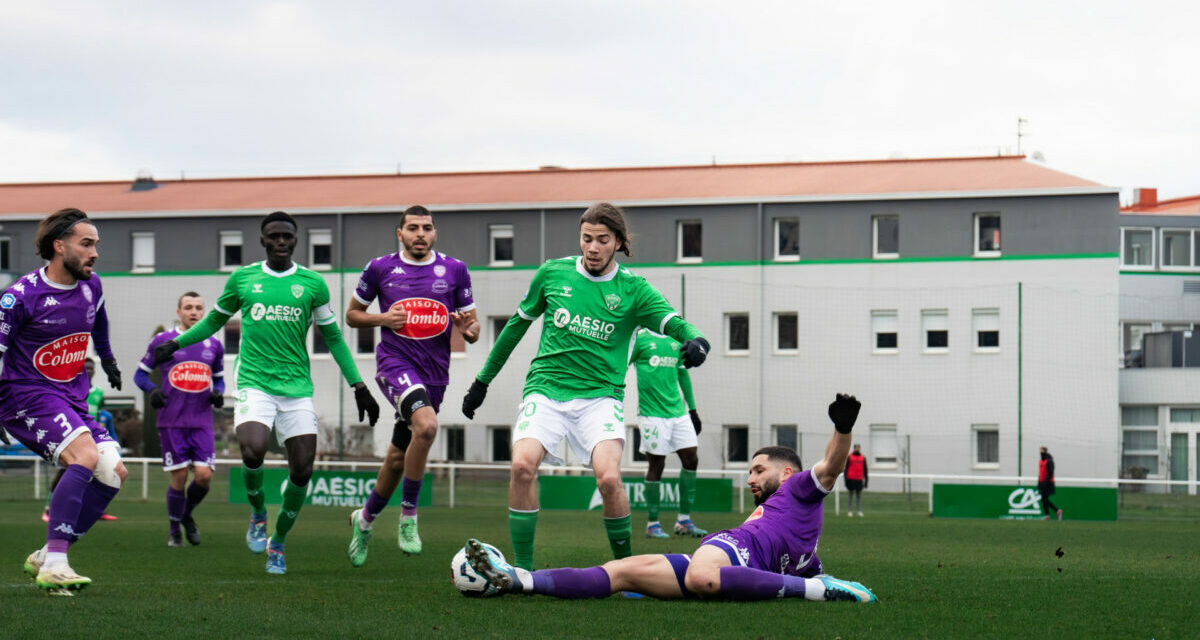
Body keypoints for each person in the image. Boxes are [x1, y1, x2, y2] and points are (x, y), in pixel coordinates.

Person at [461, 202, 711, 571]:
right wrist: (482, 382)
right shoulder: (552, 274)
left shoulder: (633, 290)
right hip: (545, 390)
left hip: (600, 398)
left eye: (602, 240)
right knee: (521, 467)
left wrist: (697, 340)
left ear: (619, 243)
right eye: (587, 238)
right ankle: (524, 572)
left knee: (610, 479)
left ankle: (627, 573)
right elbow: (515, 328)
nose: (592, 247)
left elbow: (673, 321)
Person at [464, 394, 877, 603]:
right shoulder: (778, 508)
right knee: (620, 572)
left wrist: (843, 430)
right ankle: (521, 579)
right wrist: (819, 584)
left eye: (757, 470)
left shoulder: (799, 487)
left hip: (726, 561)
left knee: (656, 576)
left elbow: (830, 467)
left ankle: (522, 580)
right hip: (726, 551)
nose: (750, 478)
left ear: (787, 473)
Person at [152, 210, 380, 575]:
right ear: (263, 240)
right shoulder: (243, 279)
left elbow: (334, 337)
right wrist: (176, 343)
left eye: (286, 237)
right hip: (254, 383)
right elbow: (214, 321)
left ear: (295, 240)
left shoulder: (312, 283)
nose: (280, 242)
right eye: (273, 236)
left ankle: (278, 542)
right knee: (253, 449)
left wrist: (359, 385)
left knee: (303, 469)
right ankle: (258, 512)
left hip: (296, 388)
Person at [1, 208, 127, 593]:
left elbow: (99, 323)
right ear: (59, 246)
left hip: (70, 397)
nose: (95, 253)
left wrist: (107, 359)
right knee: (86, 457)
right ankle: (56, 563)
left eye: (96, 245)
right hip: (25, 395)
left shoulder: (93, 287)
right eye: (86, 244)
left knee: (112, 473)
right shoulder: (19, 297)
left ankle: (45, 554)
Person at [345, 205, 479, 566]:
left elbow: (474, 326)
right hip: (395, 364)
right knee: (428, 425)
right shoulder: (380, 267)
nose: (421, 233)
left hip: (435, 372)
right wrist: (382, 318)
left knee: (396, 458)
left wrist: (469, 330)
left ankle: (366, 518)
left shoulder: (455, 270)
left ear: (435, 233)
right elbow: (352, 315)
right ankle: (408, 517)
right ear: (400, 233)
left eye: (427, 228)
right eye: (413, 228)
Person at [135, 291, 225, 547]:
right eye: (188, 307)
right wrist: (151, 390)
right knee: (178, 478)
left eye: (198, 307)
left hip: (201, 421)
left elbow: (218, 377)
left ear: (203, 312)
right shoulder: (162, 341)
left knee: (204, 476)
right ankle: (174, 531)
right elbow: (140, 375)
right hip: (171, 420)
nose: (193, 312)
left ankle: (185, 515)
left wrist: (218, 391)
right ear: (179, 312)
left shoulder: (213, 344)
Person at [629, 328, 706, 539]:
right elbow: (621, 364)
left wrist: (692, 410)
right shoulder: (640, 339)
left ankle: (684, 520)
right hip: (651, 414)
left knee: (691, 459)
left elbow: (683, 375)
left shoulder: (676, 341)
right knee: (657, 464)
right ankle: (652, 523)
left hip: (678, 413)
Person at [41, 357, 118, 522]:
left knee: (101, 473)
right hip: (72, 435)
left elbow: (101, 414)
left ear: (95, 370)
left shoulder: (98, 393)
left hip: (92, 436)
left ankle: (96, 510)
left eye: (91, 368)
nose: (88, 371)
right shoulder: (71, 389)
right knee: (64, 472)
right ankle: (48, 509)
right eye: (86, 368)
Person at [844, 443, 868, 517]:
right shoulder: (850, 457)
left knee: (858, 496)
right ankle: (850, 511)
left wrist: (866, 481)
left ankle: (859, 511)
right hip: (851, 479)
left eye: (858, 448)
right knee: (850, 496)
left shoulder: (863, 457)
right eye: (856, 448)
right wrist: (845, 479)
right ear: (854, 448)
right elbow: (846, 469)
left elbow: (865, 469)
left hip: (859, 479)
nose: (857, 449)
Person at [1038, 446, 1061, 521]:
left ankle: (1057, 510)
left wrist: (1045, 482)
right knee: (1043, 499)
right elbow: (1041, 473)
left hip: (1048, 483)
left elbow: (1050, 473)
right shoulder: (1041, 461)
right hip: (1042, 483)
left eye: (1042, 452)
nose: (1041, 453)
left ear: (1045, 452)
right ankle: (1047, 515)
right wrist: (1039, 483)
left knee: (1044, 499)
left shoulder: (1049, 461)